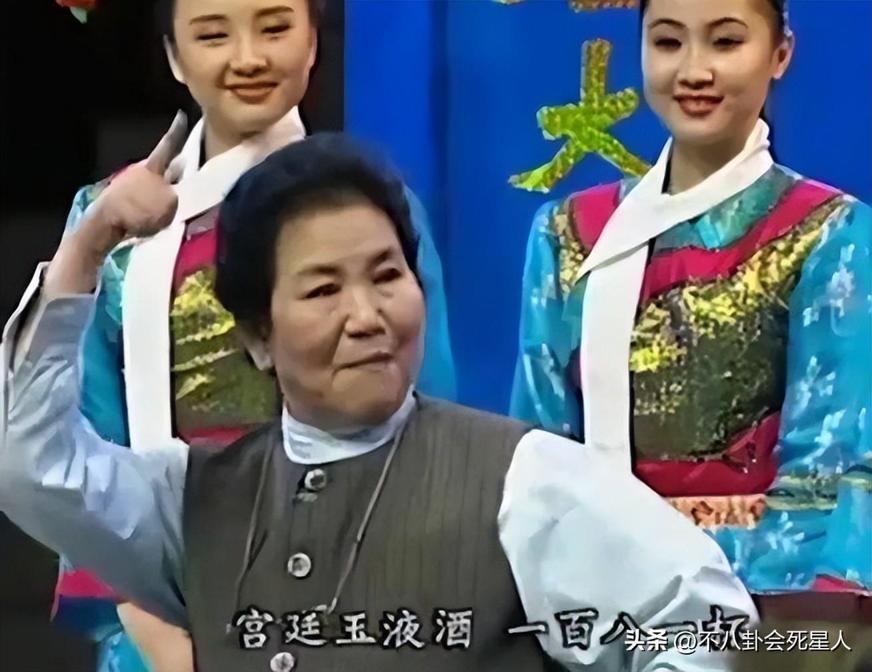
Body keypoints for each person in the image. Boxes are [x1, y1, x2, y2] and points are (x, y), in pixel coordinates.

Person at [0, 133, 757, 671]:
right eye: (324, 290)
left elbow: (706, 624)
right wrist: (87, 247)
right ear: (259, 334)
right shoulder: (191, 499)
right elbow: (29, 466)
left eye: (387, 276)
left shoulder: (522, 480)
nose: (367, 315)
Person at [44, 0, 455, 670]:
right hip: (162, 605)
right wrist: (159, 633)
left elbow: (427, 414)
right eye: (213, 35)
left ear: (313, 41)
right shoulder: (110, 221)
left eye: (274, 27)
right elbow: (83, 441)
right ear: (175, 57)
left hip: (353, 589)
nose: (249, 58)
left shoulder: (377, 212)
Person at [511, 0, 871, 621]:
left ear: (780, 54)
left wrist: (700, 595)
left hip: (764, 608)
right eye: (668, 43)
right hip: (593, 606)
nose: (694, 70)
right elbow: (539, 455)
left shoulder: (830, 232)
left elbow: (832, 467)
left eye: (725, 43)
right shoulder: (568, 233)